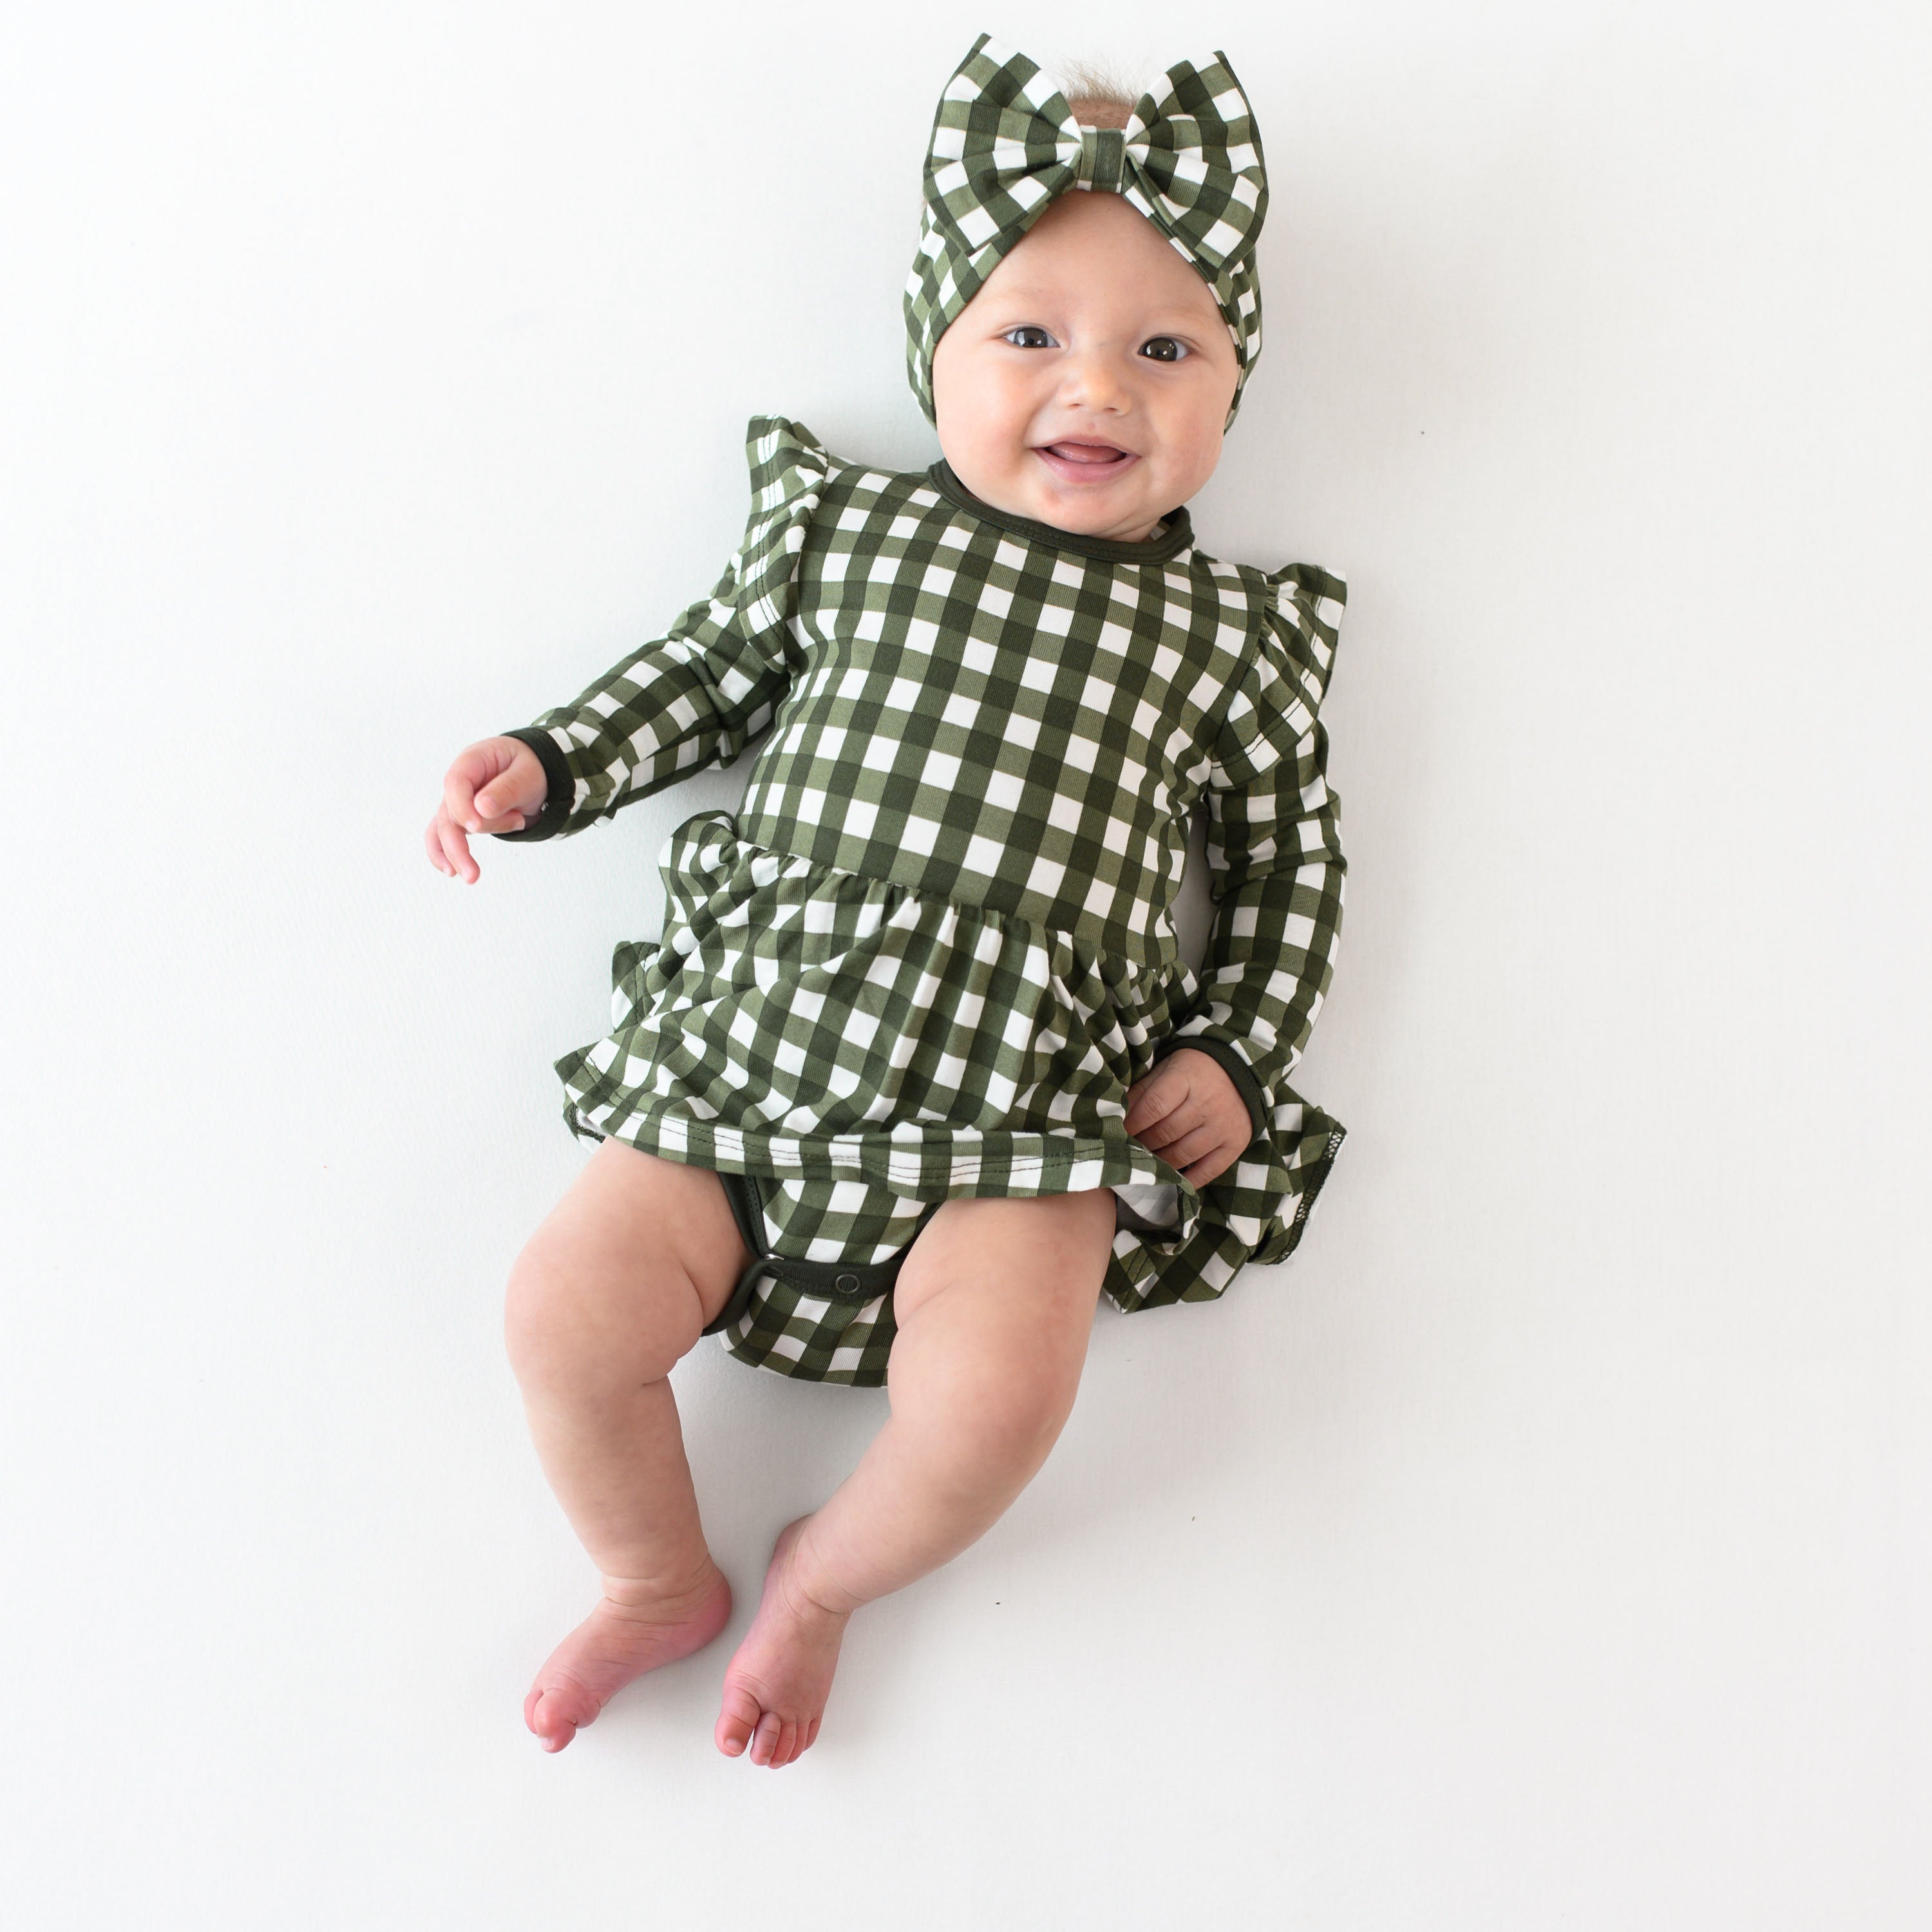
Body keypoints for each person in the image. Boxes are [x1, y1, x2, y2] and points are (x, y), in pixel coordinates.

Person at [424, 33, 1350, 1770]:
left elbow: (1289, 865)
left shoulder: (1231, 639)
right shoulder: (846, 537)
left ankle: (830, 1578)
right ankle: (650, 1575)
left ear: (1237, 381)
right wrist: (556, 760)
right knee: (563, 1311)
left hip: (1024, 1097)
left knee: (999, 1401)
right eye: (1030, 337)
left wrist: (1235, 1049)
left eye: (1165, 348)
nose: (1097, 387)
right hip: (764, 1037)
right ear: (935, 352)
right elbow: (710, 677)